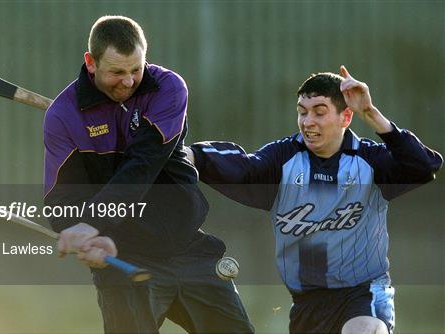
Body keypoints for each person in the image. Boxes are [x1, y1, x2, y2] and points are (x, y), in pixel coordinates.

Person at [187, 66, 442, 334]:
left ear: (345, 117)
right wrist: (192, 156)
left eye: (319, 112)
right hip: (307, 306)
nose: (308, 121)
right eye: (302, 112)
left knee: (365, 330)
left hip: (363, 294)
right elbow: (244, 167)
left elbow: (424, 166)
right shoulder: (284, 157)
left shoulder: (370, 160)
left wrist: (370, 113)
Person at [43, 15, 254, 334]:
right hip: (123, 255)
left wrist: (93, 221)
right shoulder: (62, 116)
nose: (128, 82)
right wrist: (79, 231)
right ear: (91, 62)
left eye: (135, 70)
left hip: (188, 248)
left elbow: (143, 165)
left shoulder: (168, 88)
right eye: (116, 72)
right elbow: (60, 199)